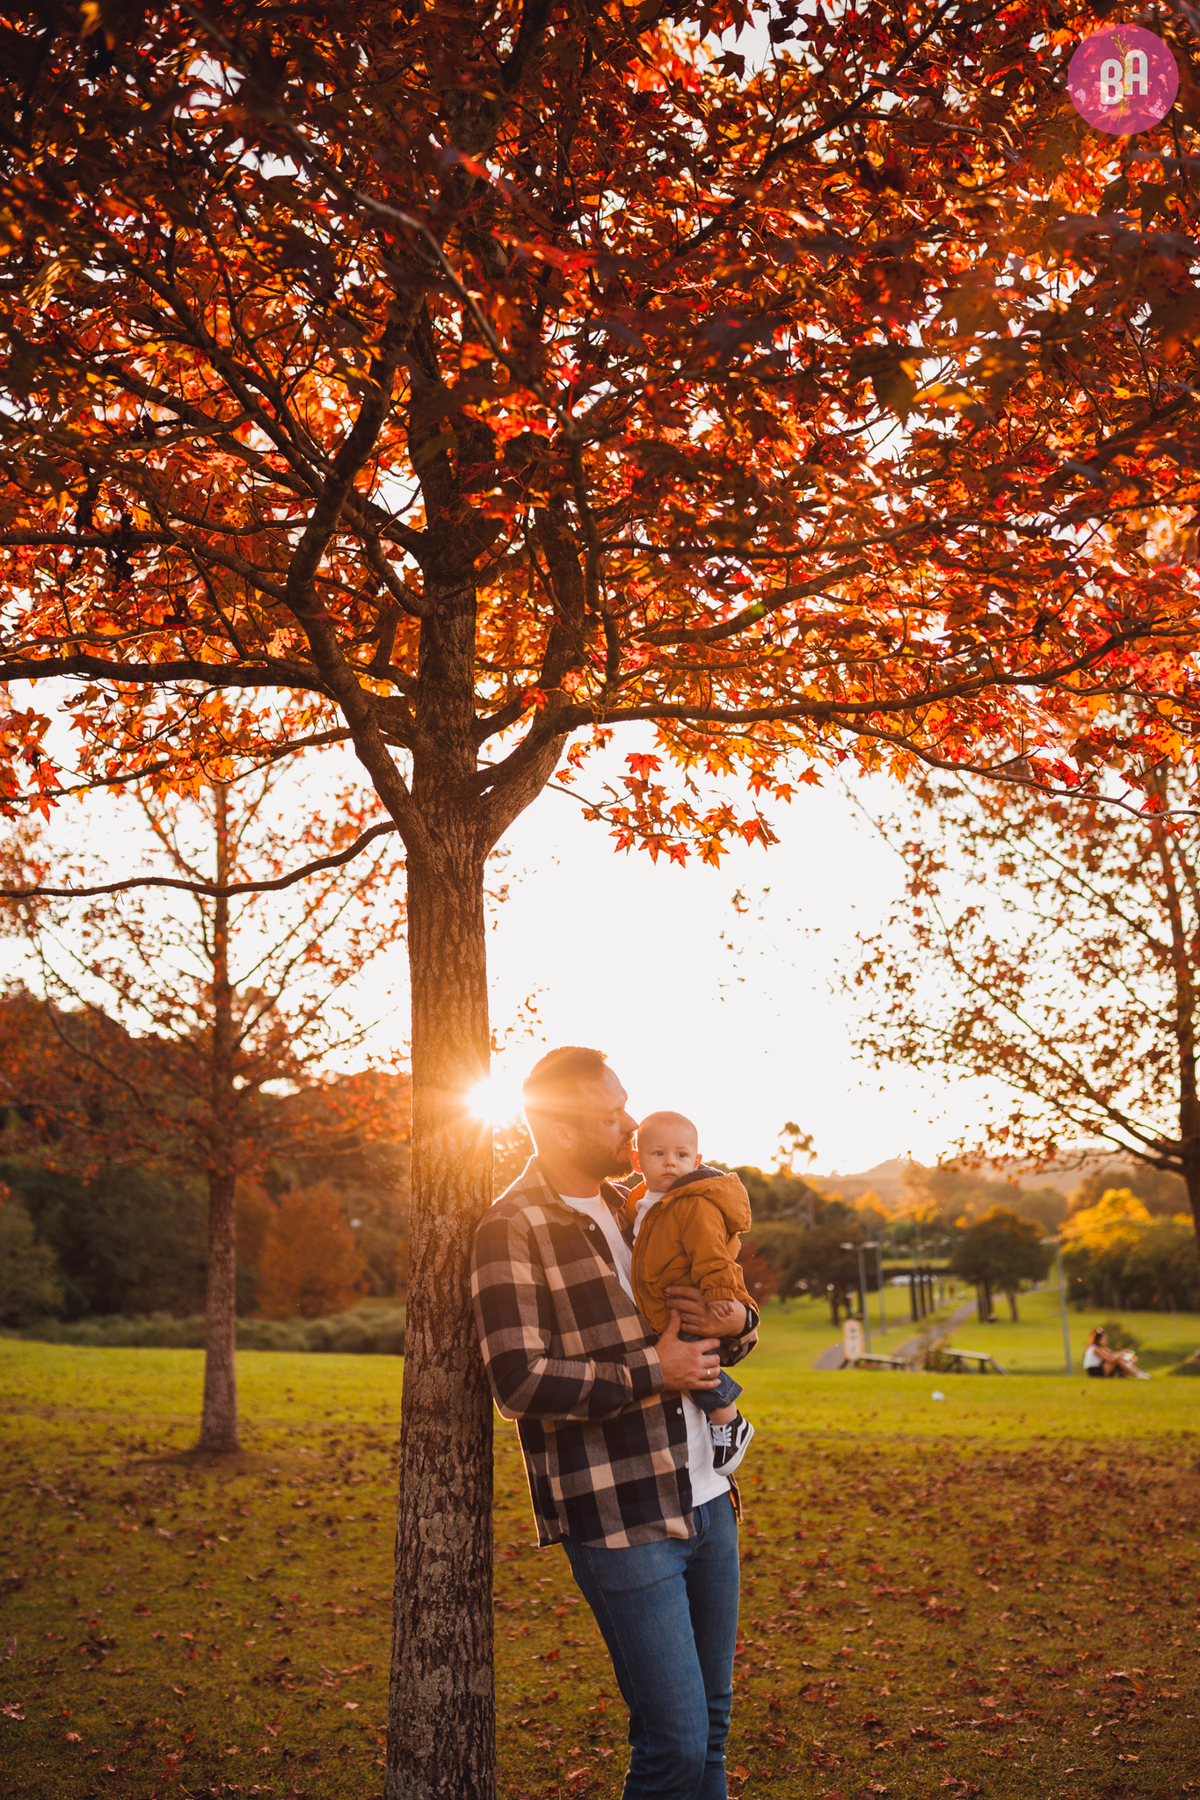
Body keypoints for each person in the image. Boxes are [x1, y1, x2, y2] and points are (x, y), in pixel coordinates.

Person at [471, 1046, 759, 1800]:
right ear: (562, 1130)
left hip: (708, 1498)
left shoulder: (644, 1204)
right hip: (620, 1513)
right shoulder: (513, 1227)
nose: (631, 1124)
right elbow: (518, 1381)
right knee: (674, 1742)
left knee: (715, 1729)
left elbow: (718, 1316)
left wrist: (737, 1320)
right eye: (612, 1114)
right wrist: (651, 1374)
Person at [626, 1109, 756, 1475]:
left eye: (681, 1156)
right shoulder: (638, 1204)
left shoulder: (692, 1203)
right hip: (663, 1303)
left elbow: (711, 1253)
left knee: (691, 1360)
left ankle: (727, 1417)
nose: (670, 1163)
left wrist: (718, 1294)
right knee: (680, 1358)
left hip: (690, 1297)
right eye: (658, 1154)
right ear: (637, 1160)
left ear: (696, 1161)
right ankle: (722, 1419)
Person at [1083, 1326, 1149, 1378]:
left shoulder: (1099, 1348)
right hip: (1094, 1371)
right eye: (1104, 1339)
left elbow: (1111, 1354)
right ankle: (1137, 1374)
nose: (1106, 1341)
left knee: (1119, 1359)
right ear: (1098, 1340)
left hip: (1096, 1369)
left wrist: (1124, 1354)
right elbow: (1110, 1359)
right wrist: (1121, 1354)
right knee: (1118, 1360)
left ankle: (1138, 1373)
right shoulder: (1096, 1349)